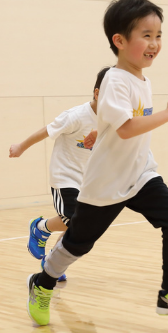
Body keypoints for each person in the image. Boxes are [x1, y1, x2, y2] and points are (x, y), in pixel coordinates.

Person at [25, 0, 168, 326]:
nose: (155, 43)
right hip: (107, 183)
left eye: (159, 35)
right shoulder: (114, 78)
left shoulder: (141, 78)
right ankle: (43, 282)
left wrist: (100, 131)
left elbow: (117, 122)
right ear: (120, 40)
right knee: (78, 244)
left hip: (140, 175)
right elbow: (126, 128)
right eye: (146, 36)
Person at [9, 67, 109, 281]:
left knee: (78, 225)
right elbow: (46, 131)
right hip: (65, 177)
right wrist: (21, 146)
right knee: (76, 221)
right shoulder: (76, 116)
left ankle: (48, 255)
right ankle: (42, 233)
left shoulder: (112, 118)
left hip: (87, 180)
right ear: (98, 93)